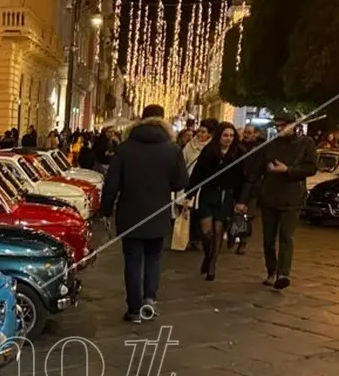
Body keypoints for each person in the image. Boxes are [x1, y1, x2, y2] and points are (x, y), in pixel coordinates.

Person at [99, 104, 189, 323]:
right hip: (158, 213)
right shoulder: (172, 149)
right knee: (153, 258)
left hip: (130, 213)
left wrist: (105, 210)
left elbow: (111, 184)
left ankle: (134, 309)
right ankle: (150, 299)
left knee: (132, 260)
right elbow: (181, 182)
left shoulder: (125, 148)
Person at [241, 112, 317, 290]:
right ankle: (271, 271)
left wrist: (288, 170)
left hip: (292, 198)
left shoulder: (306, 143)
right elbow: (254, 173)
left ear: (293, 126)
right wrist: (244, 199)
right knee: (268, 239)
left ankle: (283, 273)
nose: (279, 129)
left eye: (283, 126)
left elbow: (311, 167)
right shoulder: (269, 145)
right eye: (277, 126)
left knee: (286, 237)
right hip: (269, 197)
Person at [187, 122, 245, 281]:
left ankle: (212, 263)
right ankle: (208, 255)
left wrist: (241, 200)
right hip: (208, 193)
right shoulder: (209, 151)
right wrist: (189, 195)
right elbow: (198, 174)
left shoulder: (239, 153)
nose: (228, 139)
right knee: (206, 232)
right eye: (225, 135)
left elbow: (242, 179)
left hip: (225, 195)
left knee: (219, 230)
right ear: (219, 136)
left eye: (231, 136)